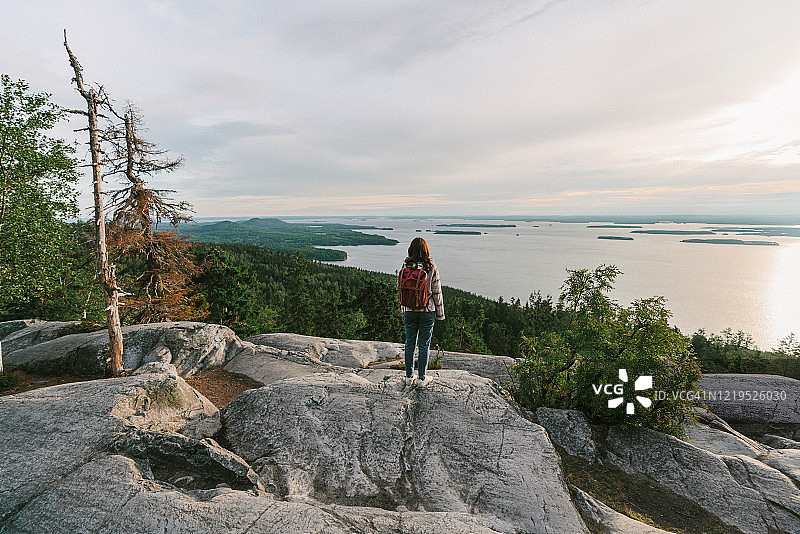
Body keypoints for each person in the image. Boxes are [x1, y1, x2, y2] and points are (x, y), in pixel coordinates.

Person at [398, 237, 445, 387]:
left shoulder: (405, 265)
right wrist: (440, 314)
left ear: (410, 249)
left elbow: (402, 289)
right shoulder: (431, 266)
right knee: (424, 344)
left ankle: (408, 377)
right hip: (427, 310)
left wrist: (403, 307)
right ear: (426, 250)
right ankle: (421, 379)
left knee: (409, 343)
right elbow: (437, 292)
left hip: (409, 310)